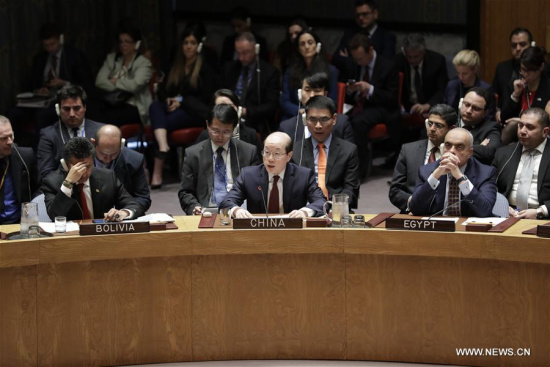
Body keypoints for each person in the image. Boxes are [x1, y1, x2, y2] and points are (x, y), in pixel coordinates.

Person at [149, 25, 220, 189]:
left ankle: (157, 168)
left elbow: (205, 100)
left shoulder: (205, 69)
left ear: (199, 46)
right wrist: (168, 99)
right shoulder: (175, 65)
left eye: (193, 43)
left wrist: (181, 101)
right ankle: (163, 146)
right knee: (155, 107)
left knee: (161, 123)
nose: (189, 46)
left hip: (193, 112)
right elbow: (163, 90)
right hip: (173, 110)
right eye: (186, 43)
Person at [8, 22, 94, 146]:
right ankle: (15, 151)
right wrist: (39, 90)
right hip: (41, 100)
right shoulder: (40, 58)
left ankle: (42, 153)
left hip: (61, 100)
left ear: (60, 39)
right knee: (13, 113)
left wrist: (65, 83)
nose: (50, 48)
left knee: (41, 116)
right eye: (46, 45)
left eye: (52, 44)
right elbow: (32, 83)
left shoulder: (74, 56)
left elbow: (87, 84)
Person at [219, 132, 326, 218]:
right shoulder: (248, 175)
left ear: (289, 156)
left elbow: (322, 202)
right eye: (266, 152)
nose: (270, 159)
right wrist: (236, 210)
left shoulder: (304, 176)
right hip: (257, 232)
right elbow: (226, 202)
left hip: (292, 232)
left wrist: (305, 212)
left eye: (277, 154)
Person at [178, 104, 259, 216]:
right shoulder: (193, 154)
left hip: (239, 211)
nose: (220, 136)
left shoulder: (248, 152)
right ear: (207, 125)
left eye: (226, 132)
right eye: (215, 131)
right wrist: (194, 206)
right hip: (205, 211)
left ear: (234, 128)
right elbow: (185, 191)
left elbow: (255, 189)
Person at [41, 137, 142, 221]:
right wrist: (68, 184)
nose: (84, 173)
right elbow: (55, 216)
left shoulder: (108, 177)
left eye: (88, 166)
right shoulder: (52, 182)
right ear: (66, 165)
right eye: (78, 168)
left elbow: (135, 206)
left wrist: (124, 213)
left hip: (102, 236)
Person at [409, 128, 497, 217]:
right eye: (448, 145)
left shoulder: (486, 173)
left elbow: (485, 211)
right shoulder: (426, 171)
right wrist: (435, 176)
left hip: (469, 228)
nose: (452, 151)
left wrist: (460, 177)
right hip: (438, 227)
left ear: (470, 152)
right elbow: (415, 209)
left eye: (459, 147)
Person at [345, 32, 400, 176]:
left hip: (381, 107)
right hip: (357, 105)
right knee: (339, 120)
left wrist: (370, 89)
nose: (358, 62)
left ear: (370, 50)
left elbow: (392, 98)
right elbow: (348, 94)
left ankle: (359, 171)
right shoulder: (354, 64)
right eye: (355, 58)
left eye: (361, 58)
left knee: (358, 122)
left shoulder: (388, 66)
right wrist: (351, 91)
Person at [291, 96, 360, 208]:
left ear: (334, 119)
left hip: (337, 209)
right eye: (312, 120)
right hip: (302, 210)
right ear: (305, 120)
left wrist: (335, 207)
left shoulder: (349, 150)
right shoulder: (294, 150)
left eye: (324, 119)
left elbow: (351, 189)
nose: (318, 126)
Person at [389, 104, 457, 213]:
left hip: (445, 213)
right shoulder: (408, 150)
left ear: (451, 128)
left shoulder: (457, 153)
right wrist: (413, 202)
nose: (432, 129)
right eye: (430, 124)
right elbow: (395, 191)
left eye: (438, 125)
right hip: (412, 214)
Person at [492, 107, 550, 219]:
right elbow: (489, 185)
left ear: (545, 132)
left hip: (543, 217)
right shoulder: (504, 153)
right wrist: (501, 205)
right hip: (506, 215)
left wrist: (541, 211)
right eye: (520, 125)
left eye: (530, 127)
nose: (522, 131)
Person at [37, 84, 104, 179]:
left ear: (85, 107)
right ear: (58, 109)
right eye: (66, 109)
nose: (72, 114)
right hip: (62, 186)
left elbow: (110, 166)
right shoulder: (48, 135)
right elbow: (46, 173)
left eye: (77, 108)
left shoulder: (101, 131)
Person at [93, 21, 152, 128]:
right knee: (92, 108)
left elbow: (135, 85)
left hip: (135, 106)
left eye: (127, 41)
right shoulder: (112, 58)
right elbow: (100, 81)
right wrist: (120, 87)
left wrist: (116, 81)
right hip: (111, 101)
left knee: (106, 118)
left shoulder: (143, 62)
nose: (123, 45)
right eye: (121, 42)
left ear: (136, 44)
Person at [221, 32, 280, 137]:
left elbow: (271, 106)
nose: (241, 57)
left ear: (256, 49)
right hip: (228, 116)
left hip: (253, 120)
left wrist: (245, 111)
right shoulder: (229, 68)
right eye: (238, 53)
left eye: (245, 53)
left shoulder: (269, 72)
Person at [279, 71, 355, 144]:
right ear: (300, 93)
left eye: (317, 91)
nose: (312, 95)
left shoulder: (342, 123)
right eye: (307, 90)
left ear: (325, 94)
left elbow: (350, 155)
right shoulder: (287, 127)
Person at [280, 29, 339, 120]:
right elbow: (284, 101)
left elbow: (333, 101)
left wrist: (315, 112)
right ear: (298, 48)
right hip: (296, 114)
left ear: (318, 45)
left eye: (310, 43)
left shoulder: (330, 71)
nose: (306, 47)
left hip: (321, 115)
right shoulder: (290, 71)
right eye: (302, 44)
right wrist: (299, 110)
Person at [92, 124, 151, 214]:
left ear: (121, 145)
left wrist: (126, 212)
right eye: (103, 153)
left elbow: (143, 198)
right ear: (93, 143)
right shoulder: (82, 160)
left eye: (113, 154)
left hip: (123, 219)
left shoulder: (134, 160)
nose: (108, 158)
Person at [501, 46, 550, 145]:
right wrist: (515, 95)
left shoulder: (548, 88)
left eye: (529, 70)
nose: (524, 73)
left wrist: (521, 121)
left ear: (541, 67)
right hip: (515, 137)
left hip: (539, 137)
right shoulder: (516, 85)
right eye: (522, 69)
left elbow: (546, 122)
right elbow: (504, 119)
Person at [332, 0, 396, 74]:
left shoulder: (387, 37)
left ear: (375, 14)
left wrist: (349, 59)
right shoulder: (350, 34)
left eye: (365, 14)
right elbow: (336, 59)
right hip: (352, 80)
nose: (361, 18)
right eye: (358, 15)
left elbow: (385, 65)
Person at [196, 89, 263, 158]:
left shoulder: (251, 134)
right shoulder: (205, 135)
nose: (227, 110)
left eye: (231, 106)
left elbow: (259, 164)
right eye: (221, 106)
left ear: (238, 109)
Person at [395, 33, 448, 117]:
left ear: (424, 52)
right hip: (405, 108)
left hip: (429, 106)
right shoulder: (398, 61)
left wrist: (428, 105)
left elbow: (442, 90)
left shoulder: (437, 61)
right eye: (409, 56)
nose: (412, 60)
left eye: (416, 57)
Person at [492, 28, 538, 124]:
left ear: (531, 45)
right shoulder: (502, 68)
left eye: (522, 44)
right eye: (514, 45)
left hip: (533, 119)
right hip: (506, 116)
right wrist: (497, 110)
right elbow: (495, 94)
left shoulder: (541, 69)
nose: (518, 48)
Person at [0, 116, 40, 224]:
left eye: (11, 136)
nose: (10, 142)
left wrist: (31, 207)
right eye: (4, 138)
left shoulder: (24, 156)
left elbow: (39, 187)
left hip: (18, 223)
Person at [443, 50, 494, 119]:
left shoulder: (486, 89)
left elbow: (489, 116)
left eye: (465, 74)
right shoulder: (452, 85)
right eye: (458, 73)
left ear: (475, 70)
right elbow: (444, 110)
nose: (460, 77)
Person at [458, 87, 502, 164]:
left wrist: (452, 147)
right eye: (467, 105)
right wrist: (477, 147)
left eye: (476, 108)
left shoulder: (491, 128)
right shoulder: (450, 122)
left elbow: (490, 151)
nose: (468, 111)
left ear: (485, 113)